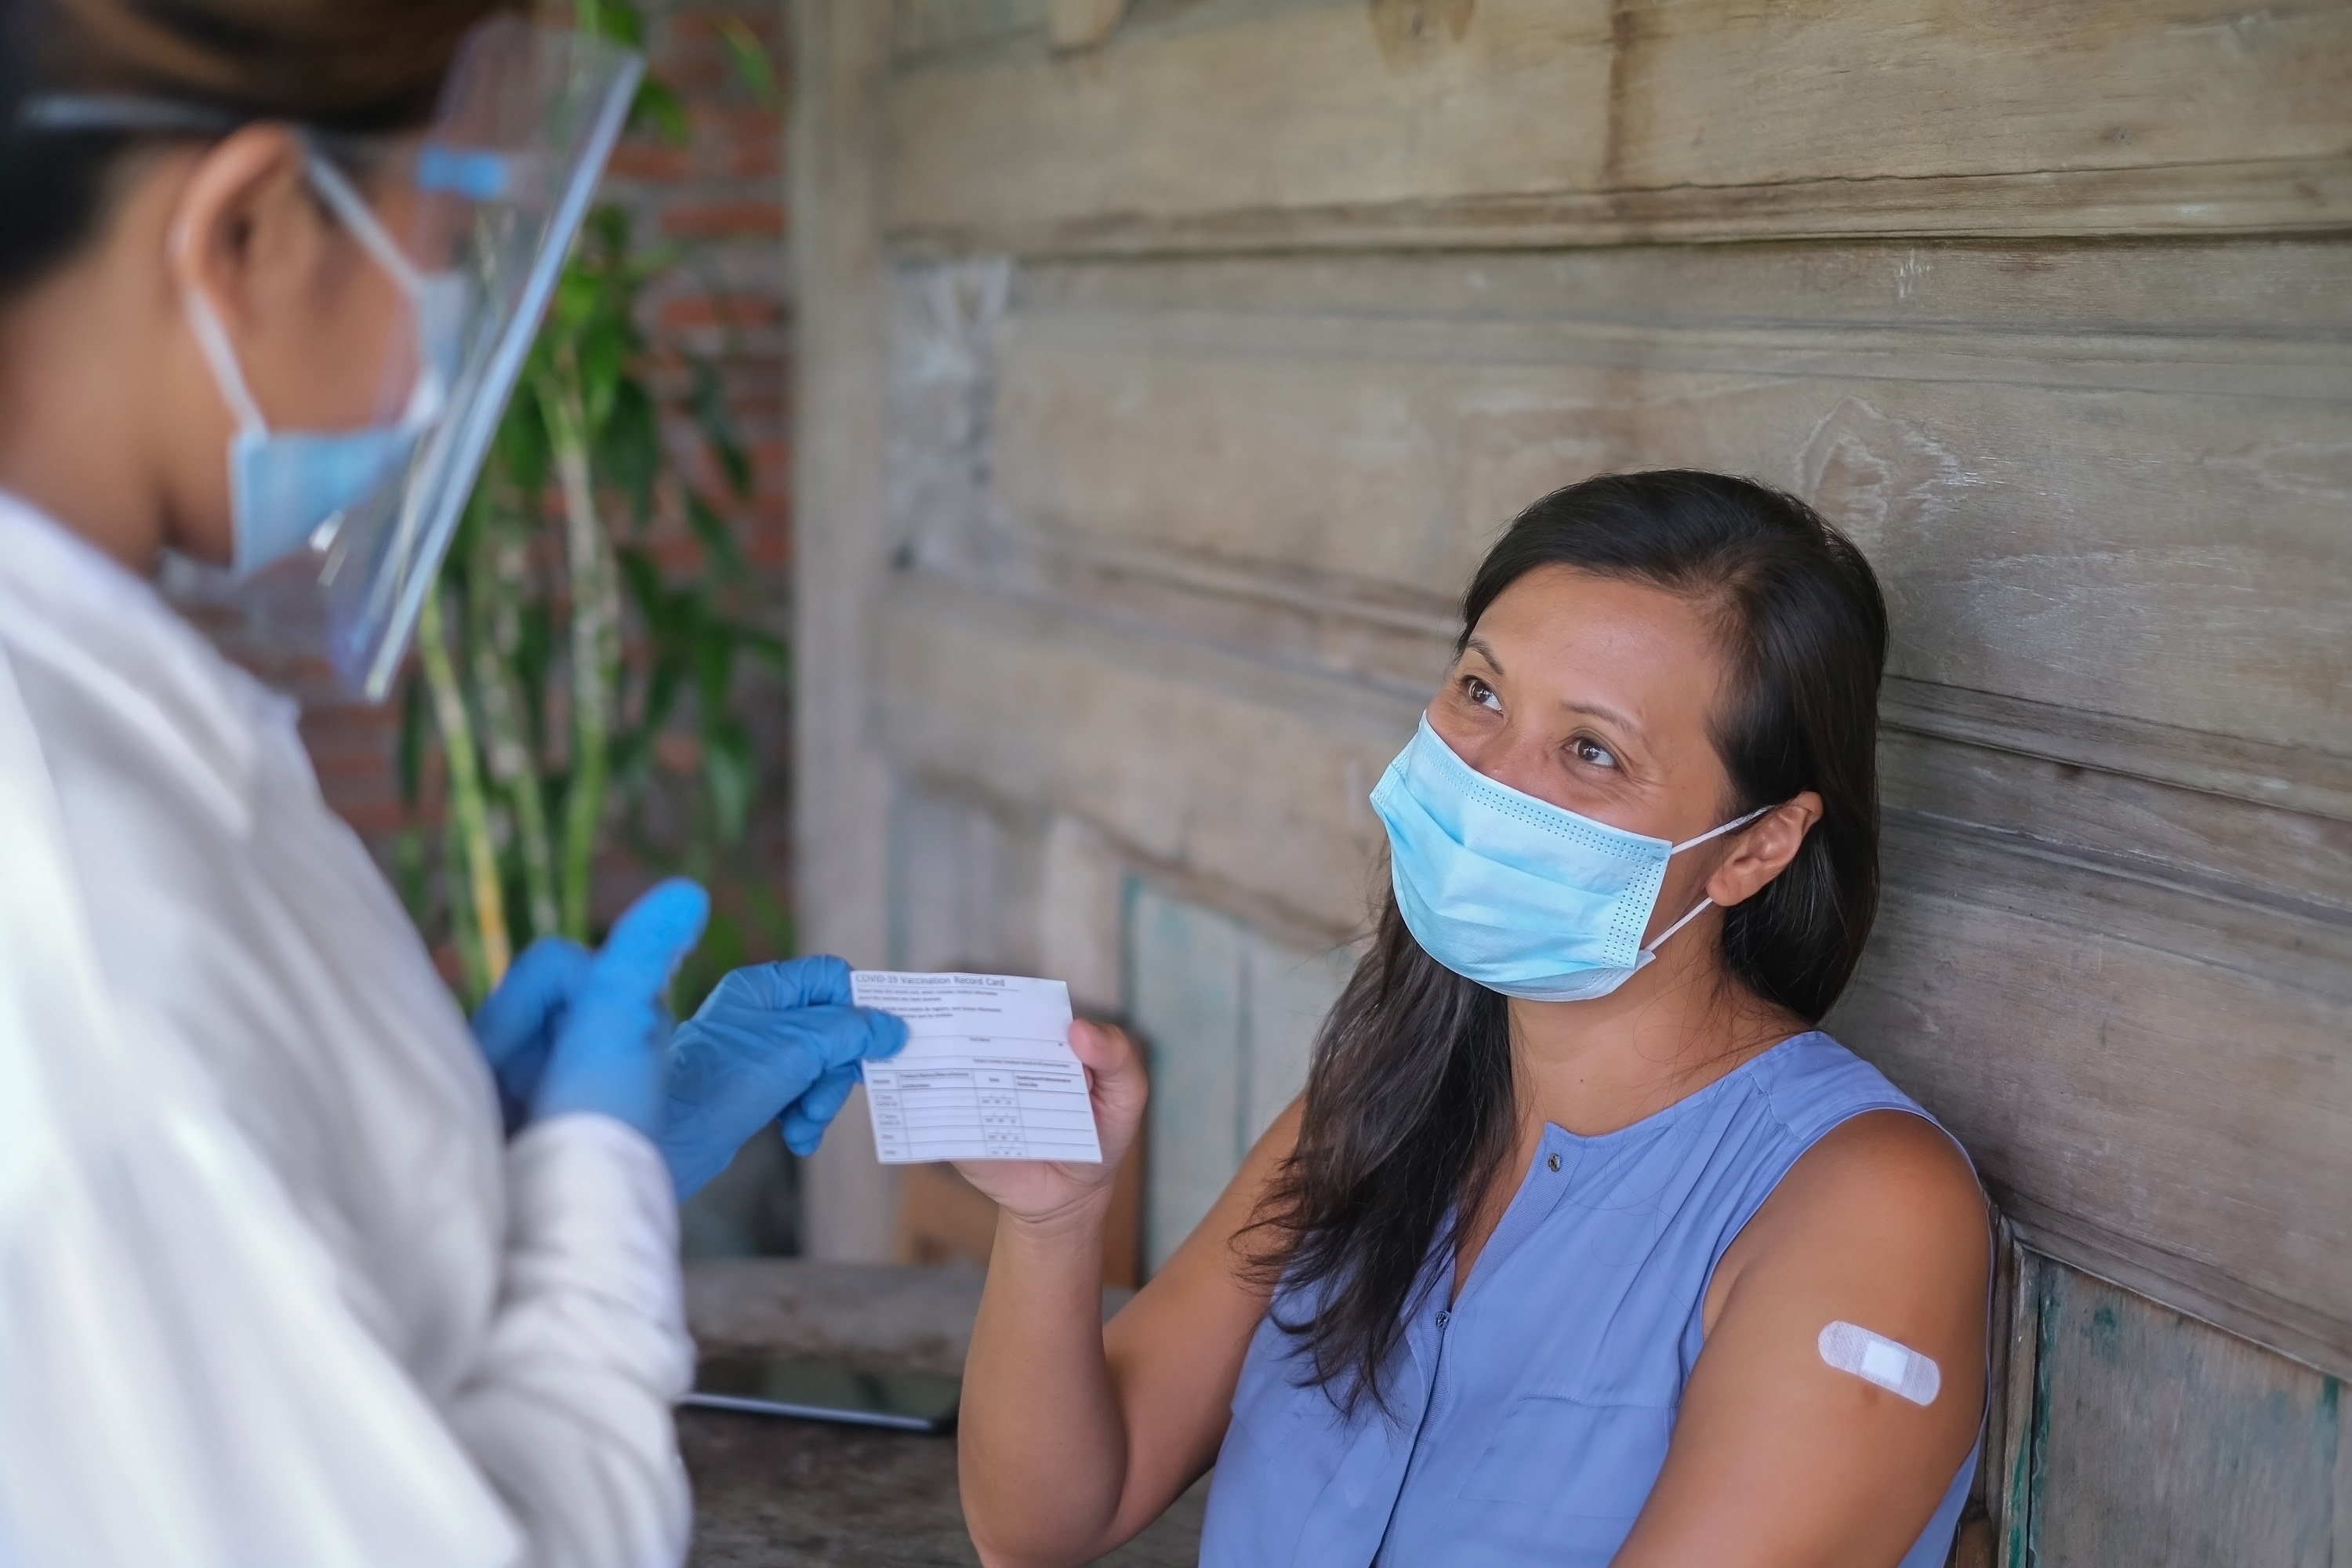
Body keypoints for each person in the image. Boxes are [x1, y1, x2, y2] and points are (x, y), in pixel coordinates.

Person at [0, 4, 904, 1564]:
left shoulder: (108, 717)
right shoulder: (78, 908)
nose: (444, 337)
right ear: (252, 230)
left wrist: (450, 1151)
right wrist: (589, 1207)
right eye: (453, 234)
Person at [955, 472, 1992, 1566]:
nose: (1489, 777)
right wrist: (1054, 1222)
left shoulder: (1867, 1203)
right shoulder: (1379, 1097)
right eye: (1482, 694)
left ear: (1756, 848)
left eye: (1592, 750)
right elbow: (1046, 1523)